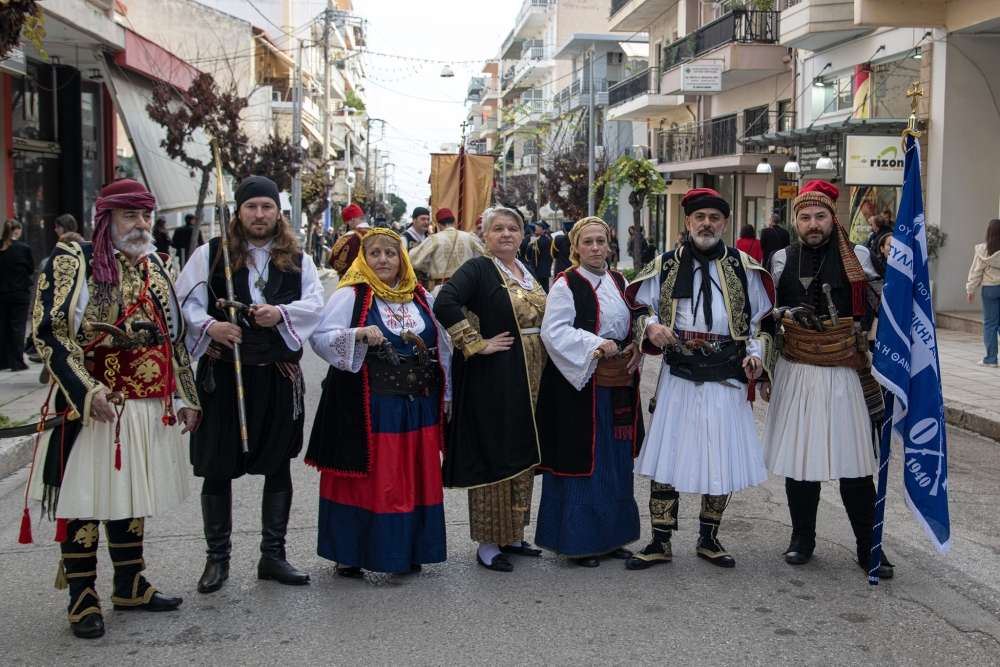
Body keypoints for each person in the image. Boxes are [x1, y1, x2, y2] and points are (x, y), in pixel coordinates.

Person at [28, 178, 201, 639]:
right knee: (86, 499)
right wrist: (87, 391)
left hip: (147, 405)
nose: (141, 224)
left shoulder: (158, 265)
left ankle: (130, 585)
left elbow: (173, 338)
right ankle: (82, 595)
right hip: (95, 405)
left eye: (146, 215)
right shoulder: (73, 260)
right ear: (105, 219)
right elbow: (49, 331)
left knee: (130, 495)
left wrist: (187, 396)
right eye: (131, 215)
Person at [176, 176, 325, 594]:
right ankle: (217, 559)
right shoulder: (210, 255)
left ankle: (272, 556)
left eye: (266, 207)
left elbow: (315, 304)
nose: (259, 215)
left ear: (279, 213)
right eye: (251, 207)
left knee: (277, 462)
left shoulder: (299, 259)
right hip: (222, 375)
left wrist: (282, 314)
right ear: (237, 213)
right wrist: (211, 325)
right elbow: (184, 302)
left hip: (276, 374)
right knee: (217, 465)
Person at [624, 187, 775, 571]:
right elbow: (639, 307)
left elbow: (761, 321)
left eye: (713, 218)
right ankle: (660, 541)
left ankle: (709, 538)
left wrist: (757, 357)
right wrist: (651, 327)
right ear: (688, 223)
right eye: (699, 218)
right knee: (667, 454)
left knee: (719, 453)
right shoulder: (665, 264)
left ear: (724, 223)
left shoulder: (745, 267)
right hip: (679, 371)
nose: (706, 224)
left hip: (727, 370)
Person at [760, 179, 893, 580]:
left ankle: (868, 548)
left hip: (846, 371)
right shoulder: (782, 259)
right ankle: (802, 539)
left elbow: (886, 304)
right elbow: (764, 317)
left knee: (855, 464)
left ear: (832, 218)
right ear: (796, 220)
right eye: (805, 217)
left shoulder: (861, 257)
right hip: (797, 369)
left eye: (819, 216)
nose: (812, 223)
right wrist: (765, 368)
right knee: (801, 461)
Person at [306, 229, 450, 577]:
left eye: (390, 253)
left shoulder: (420, 296)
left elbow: (443, 345)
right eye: (374, 253)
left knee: (412, 478)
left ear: (402, 259)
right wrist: (355, 334)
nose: (383, 260)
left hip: (418, 405)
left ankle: (410, 547)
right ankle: (352, 552)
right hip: (372, 405)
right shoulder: (352, 295)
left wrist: (447, 395)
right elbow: (321, 338)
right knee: (374, 480)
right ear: (363, 259)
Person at [433, 206, 548, 573]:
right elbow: (444, 302)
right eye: (497, 229)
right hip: (496, 375)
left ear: (522, 234)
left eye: (513, 228)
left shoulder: (526, 271)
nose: (506, 234)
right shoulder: (479, 269)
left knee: (523, 450)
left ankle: (513, 534)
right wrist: (475, 342)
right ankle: (488, 542)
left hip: (533, 373)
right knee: (495, 450)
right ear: (485, 235)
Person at [535, 216, 643, 567]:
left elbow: (638, 317)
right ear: (576, 248)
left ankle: (611, 538)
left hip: (616, 385)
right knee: (584, 462)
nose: (595, 248)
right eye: (588, 243)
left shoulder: (620, 280)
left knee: (613, 462)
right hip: (580, 387)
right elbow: (554, 332)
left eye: (601, 241)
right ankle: (579, 542)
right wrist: (598, 344)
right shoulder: (566, 283)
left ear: (610, 246)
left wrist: (635, 344)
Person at [408, 207, 485, 296]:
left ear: (438, 224)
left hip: (441, 289)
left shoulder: (434, 239)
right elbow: (482, 258)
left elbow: (413, 259)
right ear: (455, 221)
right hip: (468, 288)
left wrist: (427, 266)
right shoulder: (470, 237)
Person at [0, 219, 34, 371]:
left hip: (2, 292)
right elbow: (30, 269)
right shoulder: (23, 248)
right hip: (19, 292)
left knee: (2, 326)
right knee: (17, 326)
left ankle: (3, 361)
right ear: (18, 231)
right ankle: (16, 361)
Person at [966, 219, 1000, 367]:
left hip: (990, 289)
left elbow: (976, 271)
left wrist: (970, 289)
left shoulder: (983, 250)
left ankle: (991, 359)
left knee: (990, 325)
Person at [329, 203, 369, 276]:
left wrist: (329, 253)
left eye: (347, 224)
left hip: (353, 283)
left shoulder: (350, 236)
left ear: (352, 220)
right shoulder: (376, 233)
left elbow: (334, 261)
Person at [532, 221, 554, 292]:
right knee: (546, 288)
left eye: (538, 227)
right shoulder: (549, 240)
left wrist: (533, 266)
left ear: (544, 230)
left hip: (538, 269)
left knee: (538, 288)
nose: (536, 228)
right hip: (547, 268)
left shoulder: (537, 241)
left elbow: (535, 256)